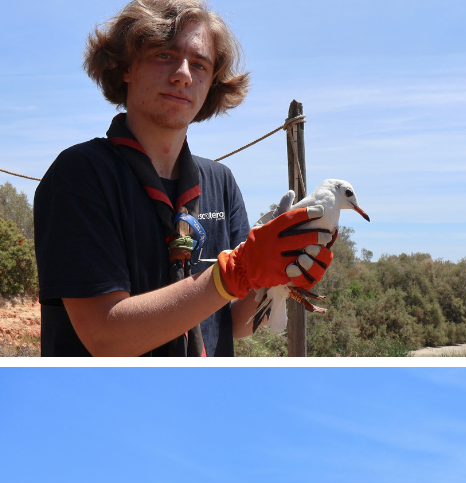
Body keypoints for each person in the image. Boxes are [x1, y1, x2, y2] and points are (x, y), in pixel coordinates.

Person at [33, 0, 335, 357]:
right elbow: (106, 337)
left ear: (211, 84)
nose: (182, 74)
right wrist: (235, 272)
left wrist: (274, 279)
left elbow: (235, 322)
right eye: (164, 55)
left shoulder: (220, 182)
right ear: (126, 66)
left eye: (200, 64)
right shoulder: (80, 174)